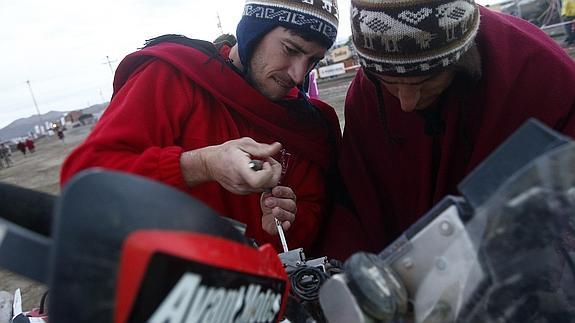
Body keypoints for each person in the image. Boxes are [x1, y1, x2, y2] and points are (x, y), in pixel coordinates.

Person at [61, 0, 341, 251]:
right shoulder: (174, 77)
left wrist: (287, 220)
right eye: (291, 49)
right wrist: (202, 165)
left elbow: (315, 225)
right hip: (163, 293)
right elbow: (84, 182)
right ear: (256, 29)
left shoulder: (308, 125)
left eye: (313, 60)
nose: (298, 73)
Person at [318, 0, 575, 260]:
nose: (407, 103)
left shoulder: (541, 77)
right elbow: (355, 204)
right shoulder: (367, 93)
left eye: (426, 81)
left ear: (464, 59)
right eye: (391, 84)